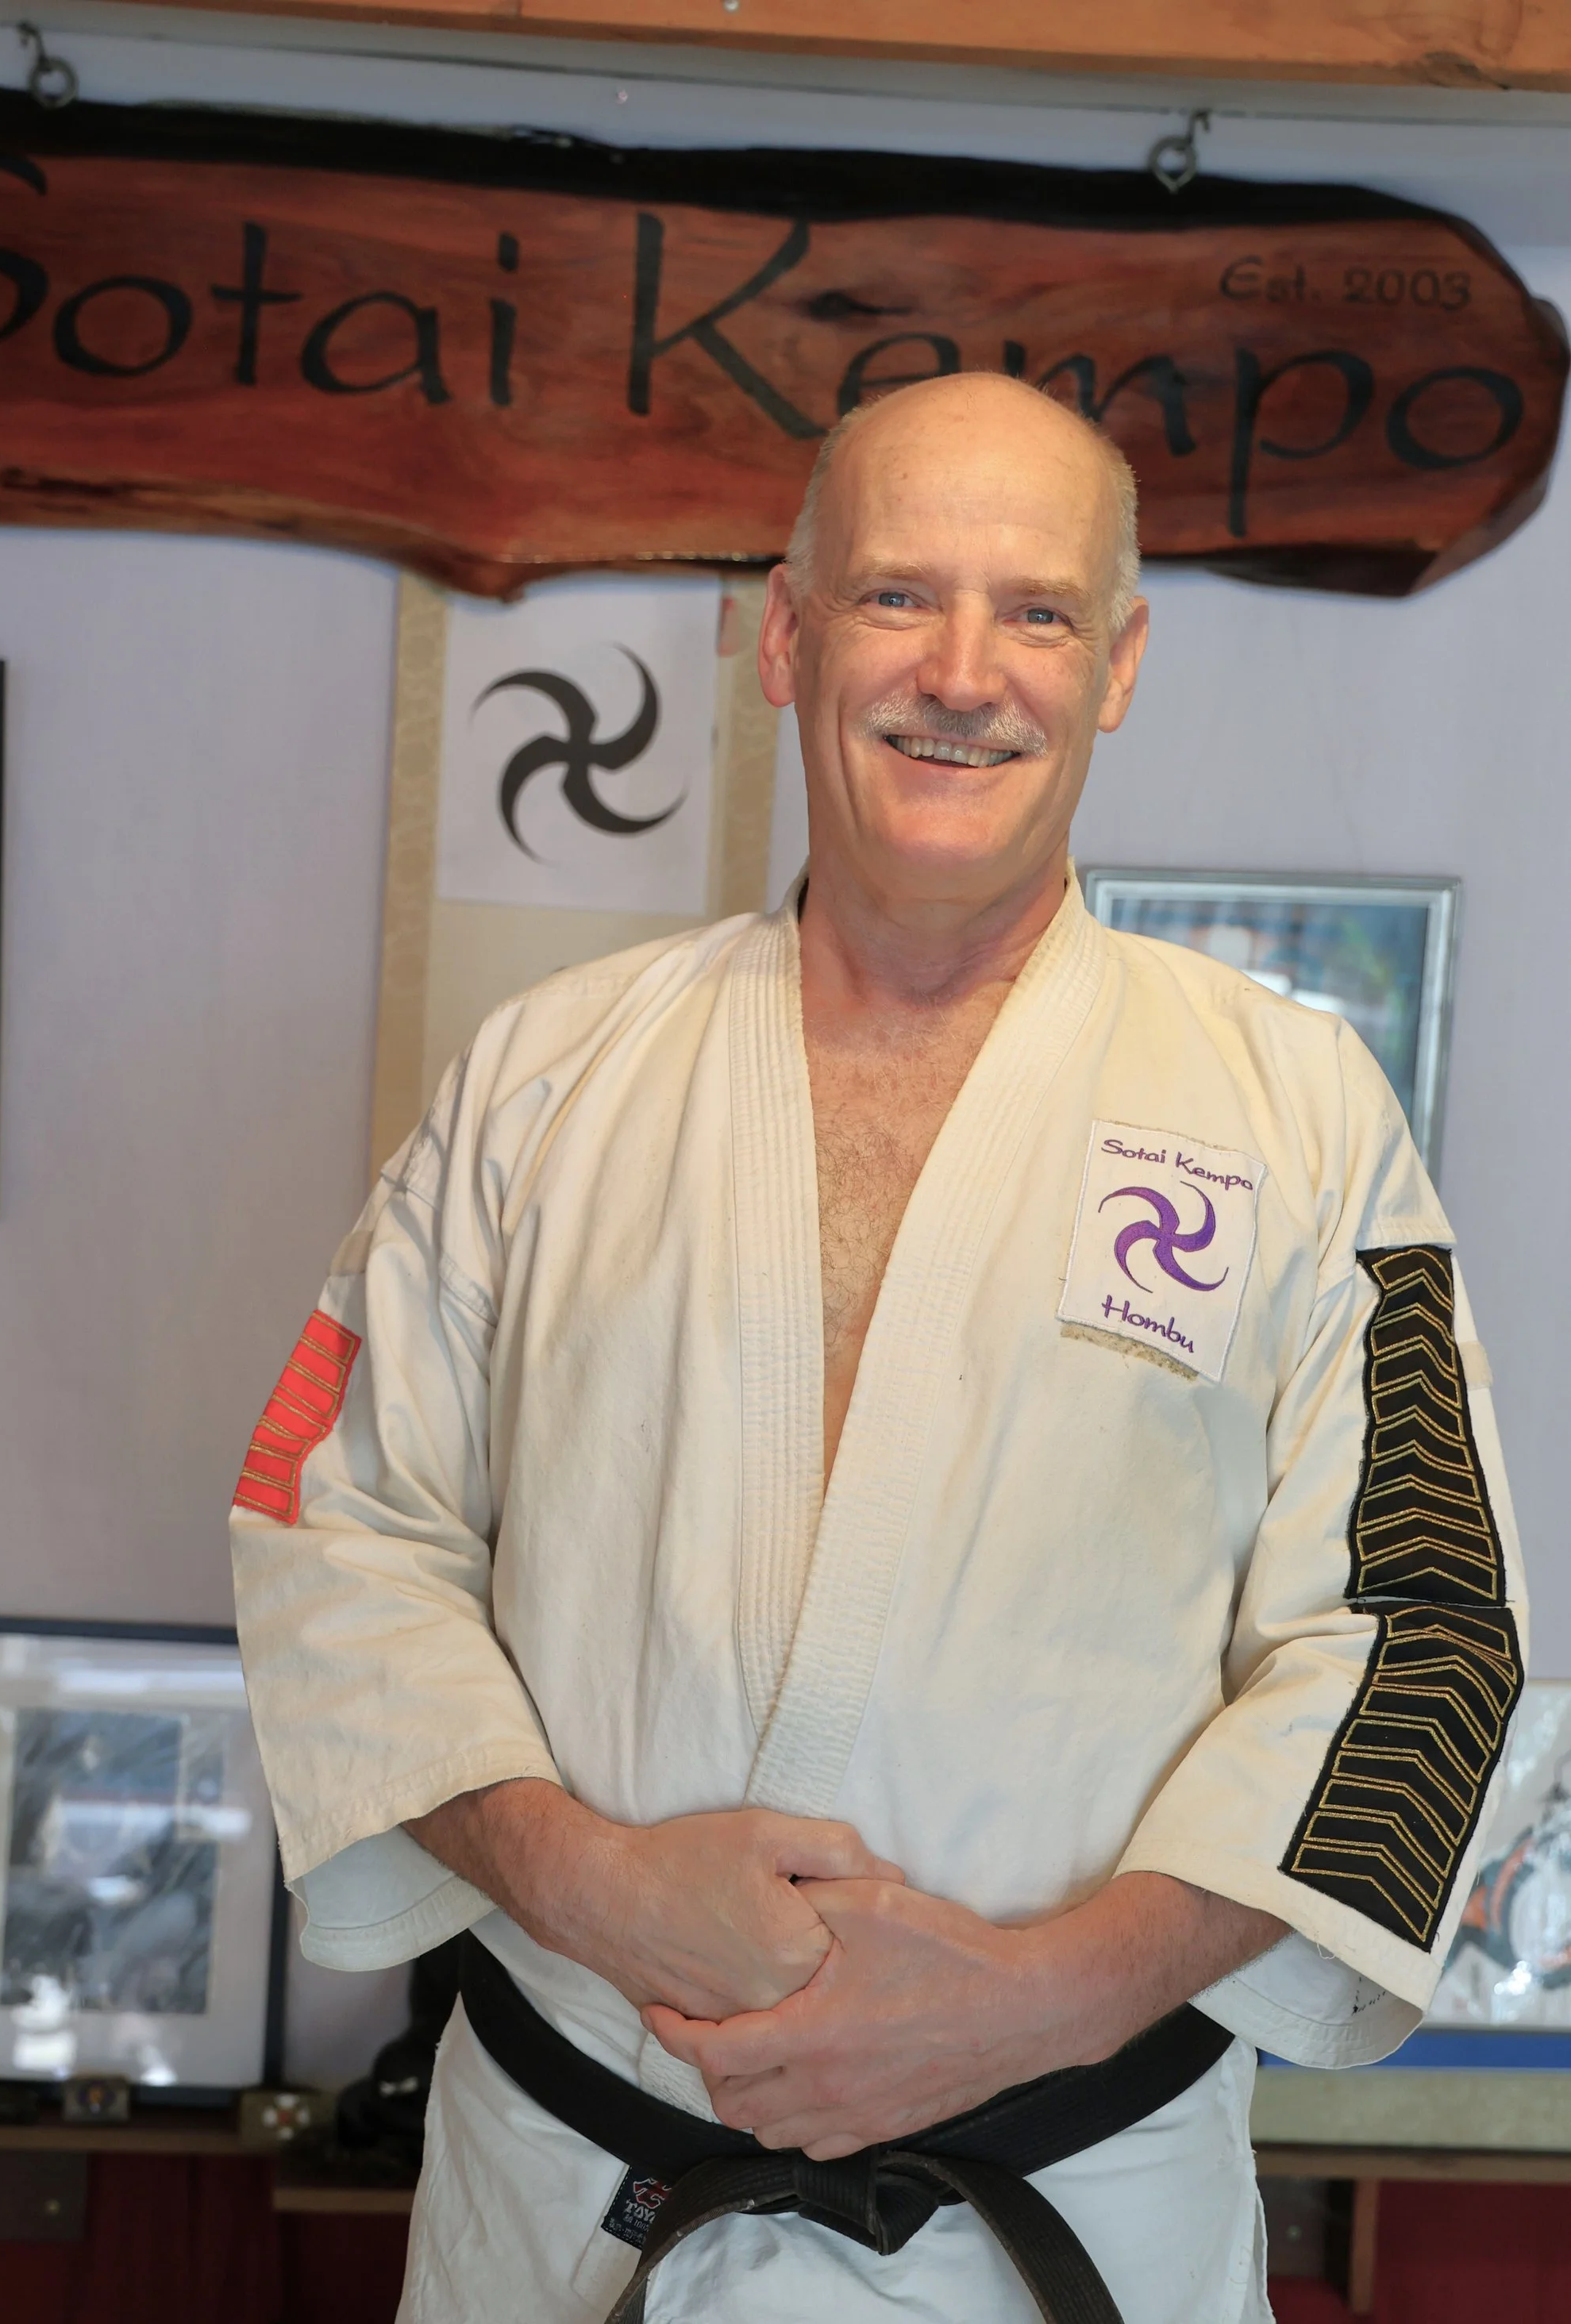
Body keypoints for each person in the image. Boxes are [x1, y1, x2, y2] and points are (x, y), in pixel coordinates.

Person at [229, 374, 1526, 2323]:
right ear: (786, 634)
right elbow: (338, 1533)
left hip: (1073, 2207)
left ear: (1118, 664)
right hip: (574, 2197)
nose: (962, 673)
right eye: (897, 595)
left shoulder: (1295, 1111)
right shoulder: (544, 1080)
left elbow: (1421, 1630)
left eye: (1037, 612)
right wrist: (579, 1875)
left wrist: (1047, 1992)